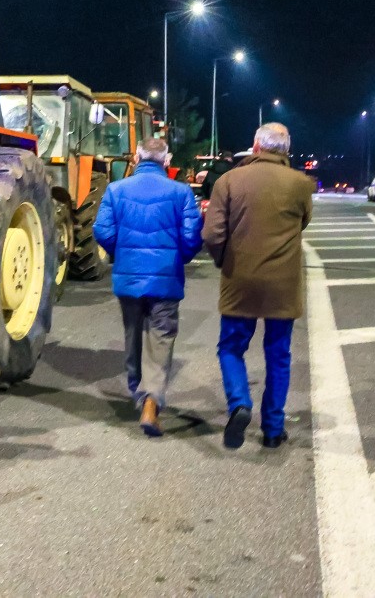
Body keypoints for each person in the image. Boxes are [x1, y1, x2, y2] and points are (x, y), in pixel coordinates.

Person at [203, 123, 314, 450]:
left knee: (231, 347)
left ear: (255, 146)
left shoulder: (228, 181)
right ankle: (273, 429)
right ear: (286, 150)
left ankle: (239, 403)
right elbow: (303, 222)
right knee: (278, 355)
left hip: (241, 279)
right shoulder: (301, 184)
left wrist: (224, 261)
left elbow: (211, 235)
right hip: (283, 283)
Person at [93, 137, 203, 436]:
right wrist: (180, 257)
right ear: (166, 161)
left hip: (129, 276)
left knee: (133, 335)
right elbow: (193, 235)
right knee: (161, 337)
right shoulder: (181, 192)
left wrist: (123, 253)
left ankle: (137, 390)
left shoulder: (116, 190)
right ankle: (152, 399)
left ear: (137, 158)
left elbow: (102, 230)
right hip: (165, 277)